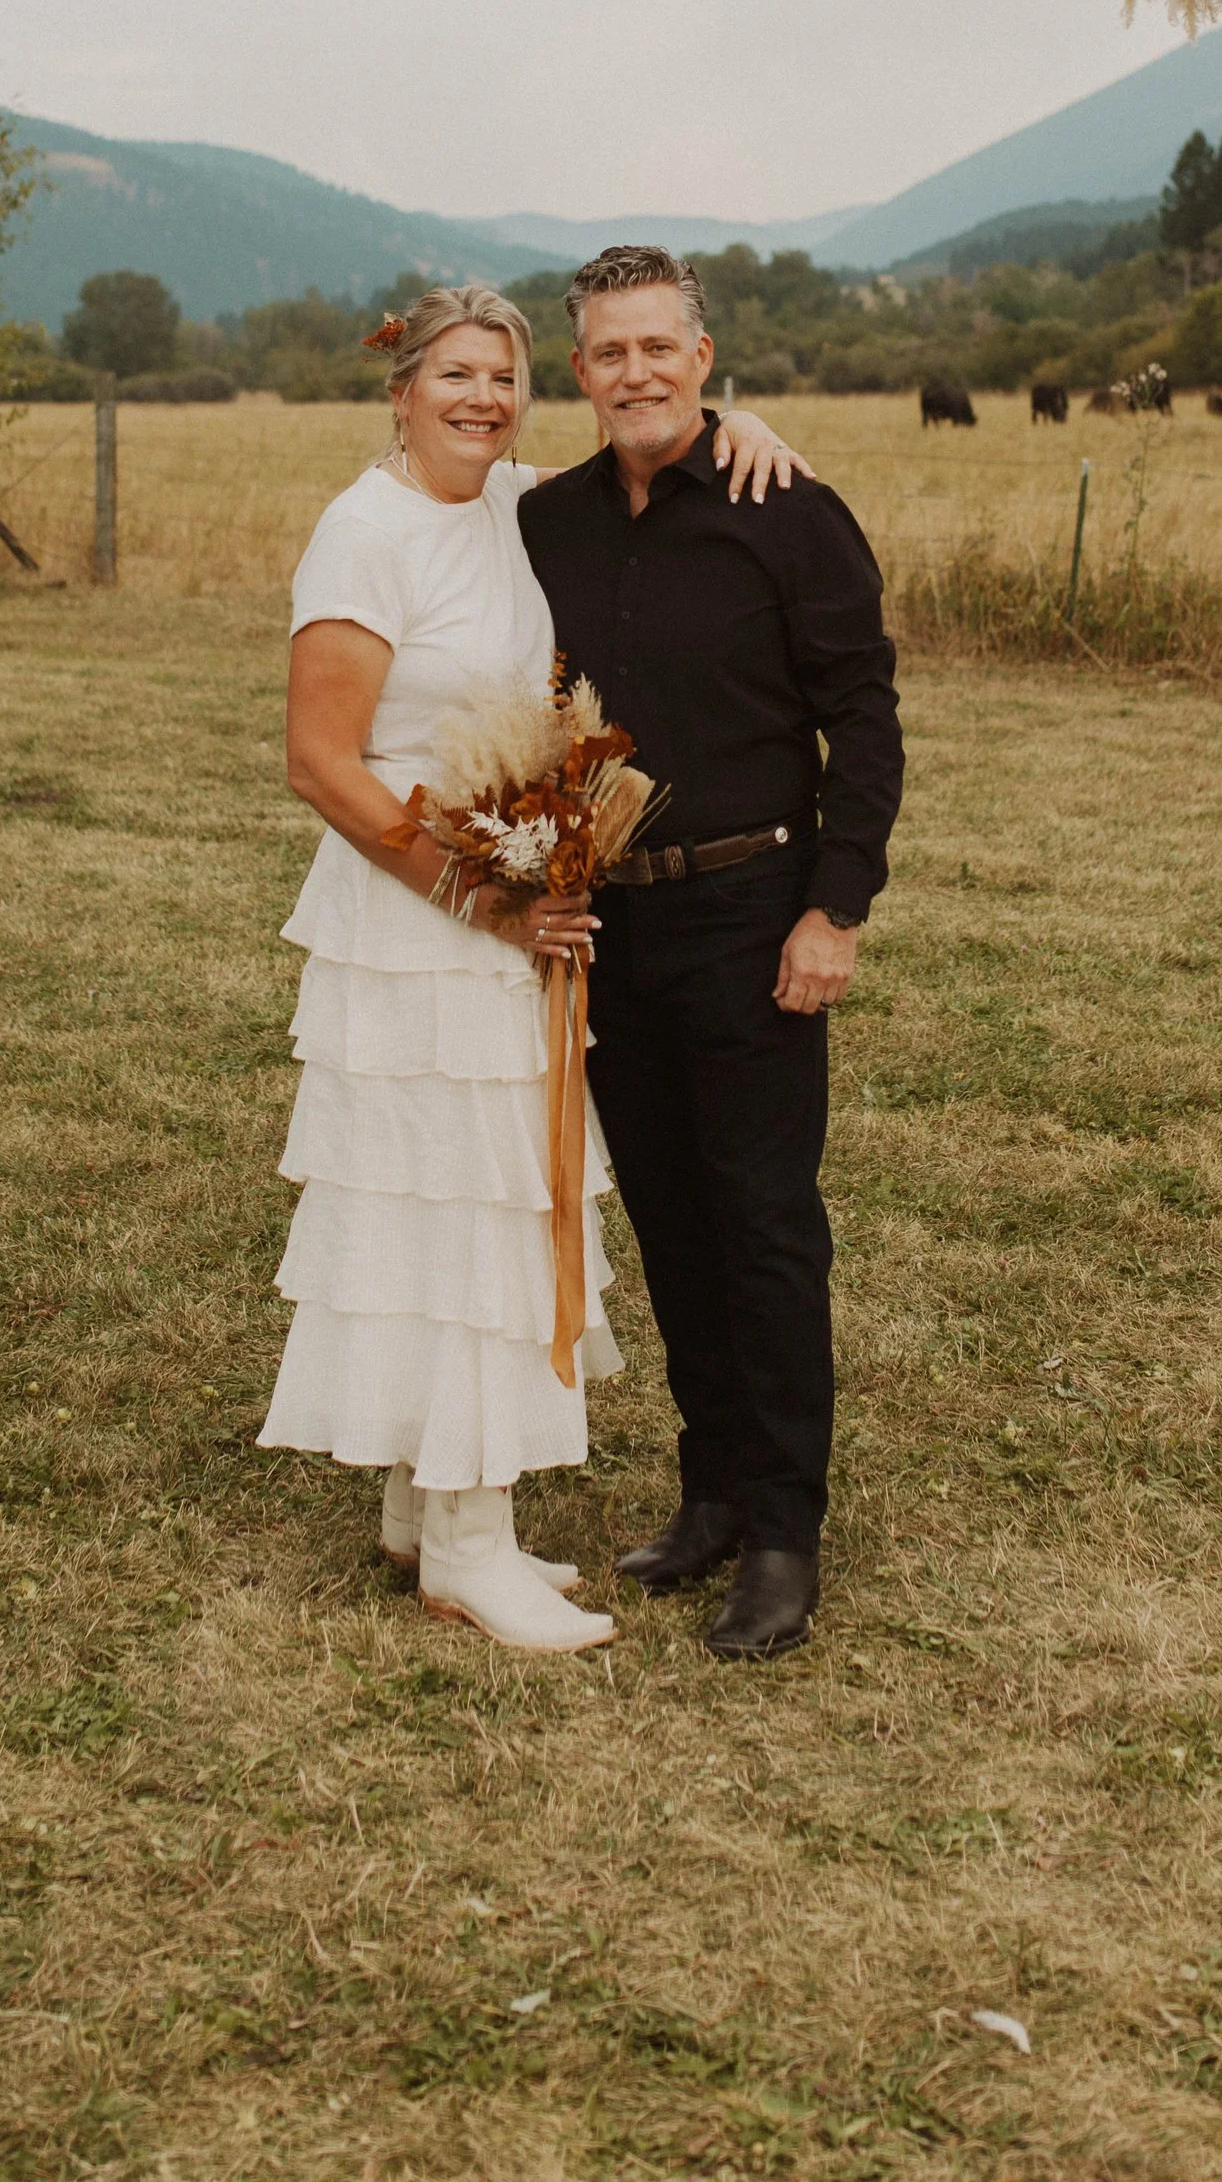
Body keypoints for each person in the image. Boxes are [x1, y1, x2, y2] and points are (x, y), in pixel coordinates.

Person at [259, 283, 807, 1655]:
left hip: (507, 907)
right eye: (455, 373)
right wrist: (478, 893)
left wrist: (751, 428)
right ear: (400, 387)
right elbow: (321, 760)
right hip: (419, 915)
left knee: (477, 1193)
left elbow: (646, 441)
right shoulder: (362, 534)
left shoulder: (512, 506)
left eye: (503, 377)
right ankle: (469, 1544)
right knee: (457, 1205)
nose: (481, 399)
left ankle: (416, 1501)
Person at [517, 245, 904, 1662]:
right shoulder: (545, 522)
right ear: (580, 373)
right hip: (613, 922)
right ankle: (714, 1493)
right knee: (672, 1220)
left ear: (703, 355)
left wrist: (835, 907)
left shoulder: (785, 511)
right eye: (608, 353)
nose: (635, 373)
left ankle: (788, 1533)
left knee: (763, 1225)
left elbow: (863, 721)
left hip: (756, 911)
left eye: (658, 349)